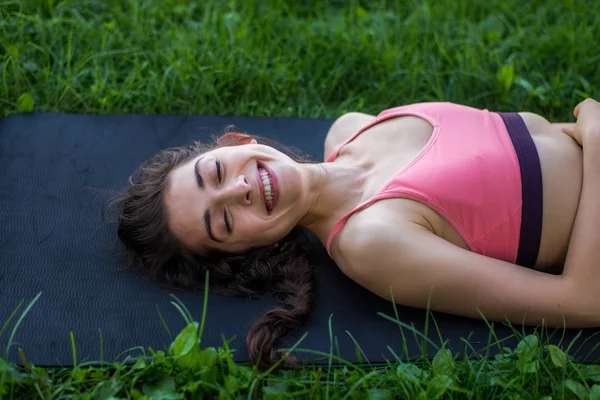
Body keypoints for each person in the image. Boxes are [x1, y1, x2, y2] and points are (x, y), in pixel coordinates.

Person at [112, 98, 600, 369]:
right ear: (250, 250)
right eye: (222, 222)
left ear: (239, 141)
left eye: (216, 172)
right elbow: (582, 300)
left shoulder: (352, 129)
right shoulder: (371, 242)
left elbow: (532, 140)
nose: (237, 190)